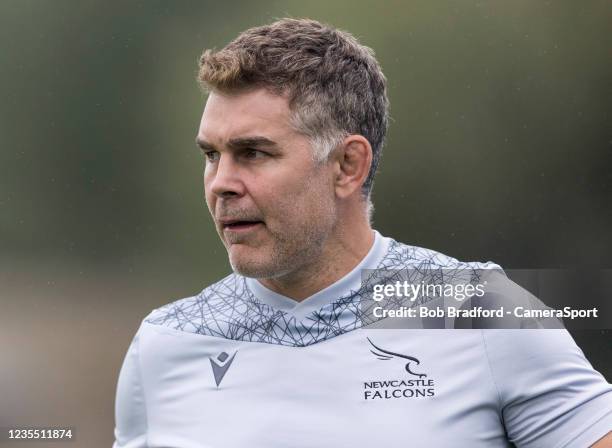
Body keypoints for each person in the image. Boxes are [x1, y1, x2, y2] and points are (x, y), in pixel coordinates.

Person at [113, 18, 612, 447]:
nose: (221, 183)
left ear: (347, 165)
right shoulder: (166, 343)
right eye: (211, 156)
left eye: (253, 153)